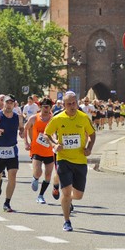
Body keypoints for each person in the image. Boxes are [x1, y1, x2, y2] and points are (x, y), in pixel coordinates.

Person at [45, 91, 95, 232]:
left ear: (77, 103)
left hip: (80, 160)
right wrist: (54, 145)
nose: (72, 106)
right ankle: (67, 221)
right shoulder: (57, 118)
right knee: (66, 192)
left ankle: (69, 200)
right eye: (69, 104)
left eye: (74, 103)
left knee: (78, 195)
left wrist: (89, 147)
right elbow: (47, 134)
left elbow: (92, 134)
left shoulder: (84, 118)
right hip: (63, 160)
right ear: (64, 105)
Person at [24, 97, 56, 204]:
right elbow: (26, 128)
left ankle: (41, 195)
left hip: (49, 151)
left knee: (48, 175)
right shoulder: (34, 118)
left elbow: (59, 131)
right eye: (44, 107)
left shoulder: (54, 119)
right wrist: (27, 142)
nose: (46, 109)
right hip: (36, 150)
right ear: (40, 107)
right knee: (38, 171)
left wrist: (56, 142)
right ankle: (35, 178)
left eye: (48, 107)